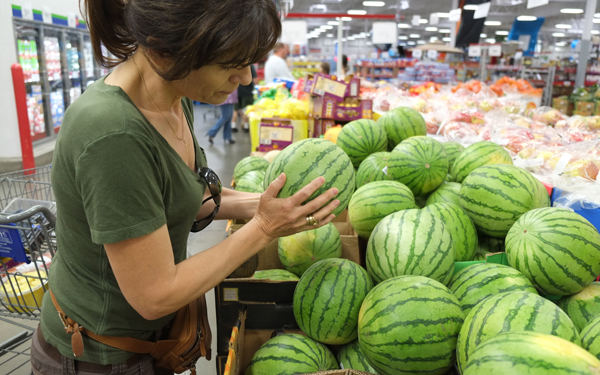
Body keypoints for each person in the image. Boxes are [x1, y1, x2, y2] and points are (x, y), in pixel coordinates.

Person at [32, 0, 340, 374]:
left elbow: (183, 195)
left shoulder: (175, 97)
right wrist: (263, 227)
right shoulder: (113, 133)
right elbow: (155, 295)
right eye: (230, 64)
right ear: (167, 49)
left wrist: (267, 204)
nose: (244, 78)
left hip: (149, 342)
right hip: (99, 356)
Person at [232, 65, 257, 133]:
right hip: (247, 91)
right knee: (245, 110)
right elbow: (254, 79)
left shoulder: (236, 63)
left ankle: (233, 126)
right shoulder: (250, 65)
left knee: (235, 109)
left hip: (236, 90)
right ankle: (246, 127)